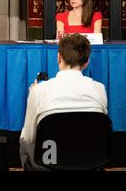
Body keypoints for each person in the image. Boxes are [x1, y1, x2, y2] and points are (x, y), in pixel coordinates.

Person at [19, 33, 108, 171]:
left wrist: (35, 95)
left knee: (25, 139)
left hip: (50, 162)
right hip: (89, 162)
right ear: (87, 61)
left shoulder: (39, 91)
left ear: (59, 57)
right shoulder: (100, 89)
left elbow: (29, 137)